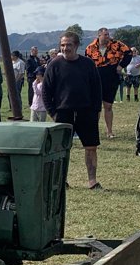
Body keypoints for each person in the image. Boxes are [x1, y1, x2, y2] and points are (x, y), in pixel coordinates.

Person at [42, 31, 103, 190]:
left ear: (76, 45)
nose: (65, 48)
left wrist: (96, 111)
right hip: (63, 113)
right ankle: (61, 181)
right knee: (61, 149)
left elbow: (97, 89)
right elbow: (46, 91)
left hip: (86, 112)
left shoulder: (88, 64)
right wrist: (53, 113)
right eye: (62, 45)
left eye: (69, 44)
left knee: (90, 148)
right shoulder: (54, 64)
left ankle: (92, 181)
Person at [84, 27, 132, 139]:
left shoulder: (117, 44)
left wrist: (121, 66)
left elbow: (128, 53)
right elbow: (86, 63)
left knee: (108, 105)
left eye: (108, 34)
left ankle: (109, 131)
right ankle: (93, 130)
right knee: (96, 106)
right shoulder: (90, 48)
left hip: (111, 77)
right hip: (96, 77)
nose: (107, 37)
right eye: (104, 35)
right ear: (99, 35)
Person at [10, 50, 25, 114]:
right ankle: (12, 107)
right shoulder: (12, 62)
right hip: (11, 81)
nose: (11, 57)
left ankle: (19, 107)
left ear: (15, 56)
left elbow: (21, 73)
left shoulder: (20, 62)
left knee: (17, 94)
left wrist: (16, 81)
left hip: (17, 81)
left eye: (12, 55)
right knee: (10, 94)